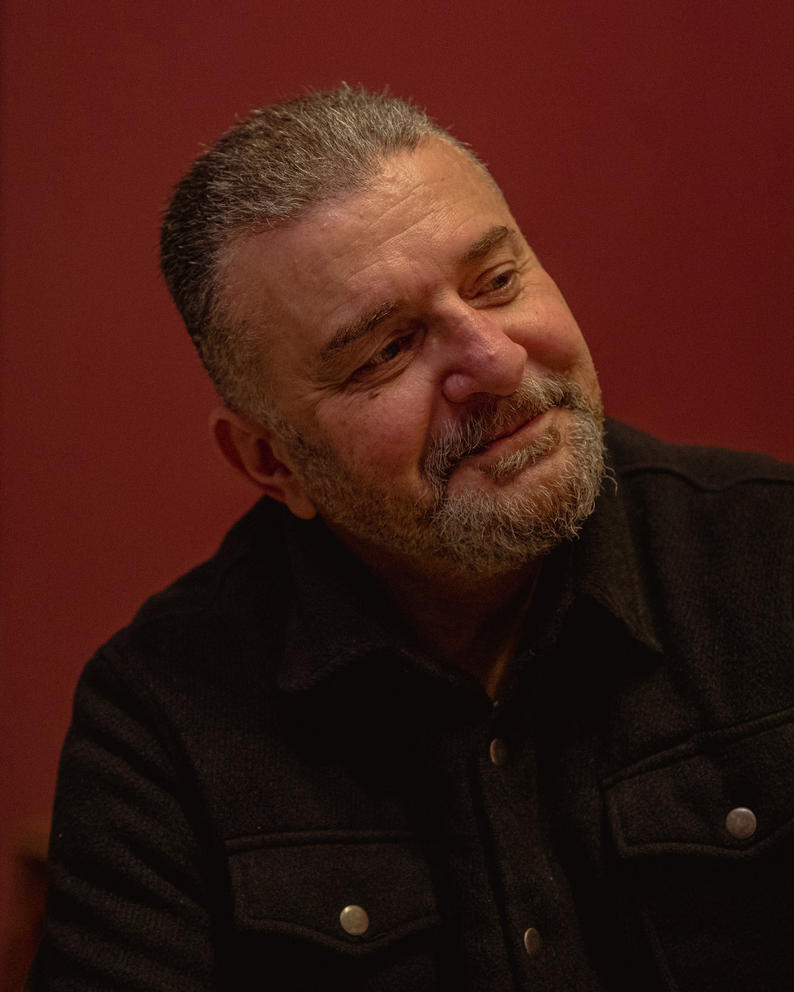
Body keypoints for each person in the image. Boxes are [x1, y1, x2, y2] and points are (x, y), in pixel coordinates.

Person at [30, 86, 793, 991]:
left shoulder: (771, 554)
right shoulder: (160, 723)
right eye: (387, 350)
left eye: (497, 282)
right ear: (274, 464)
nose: (498, 360)